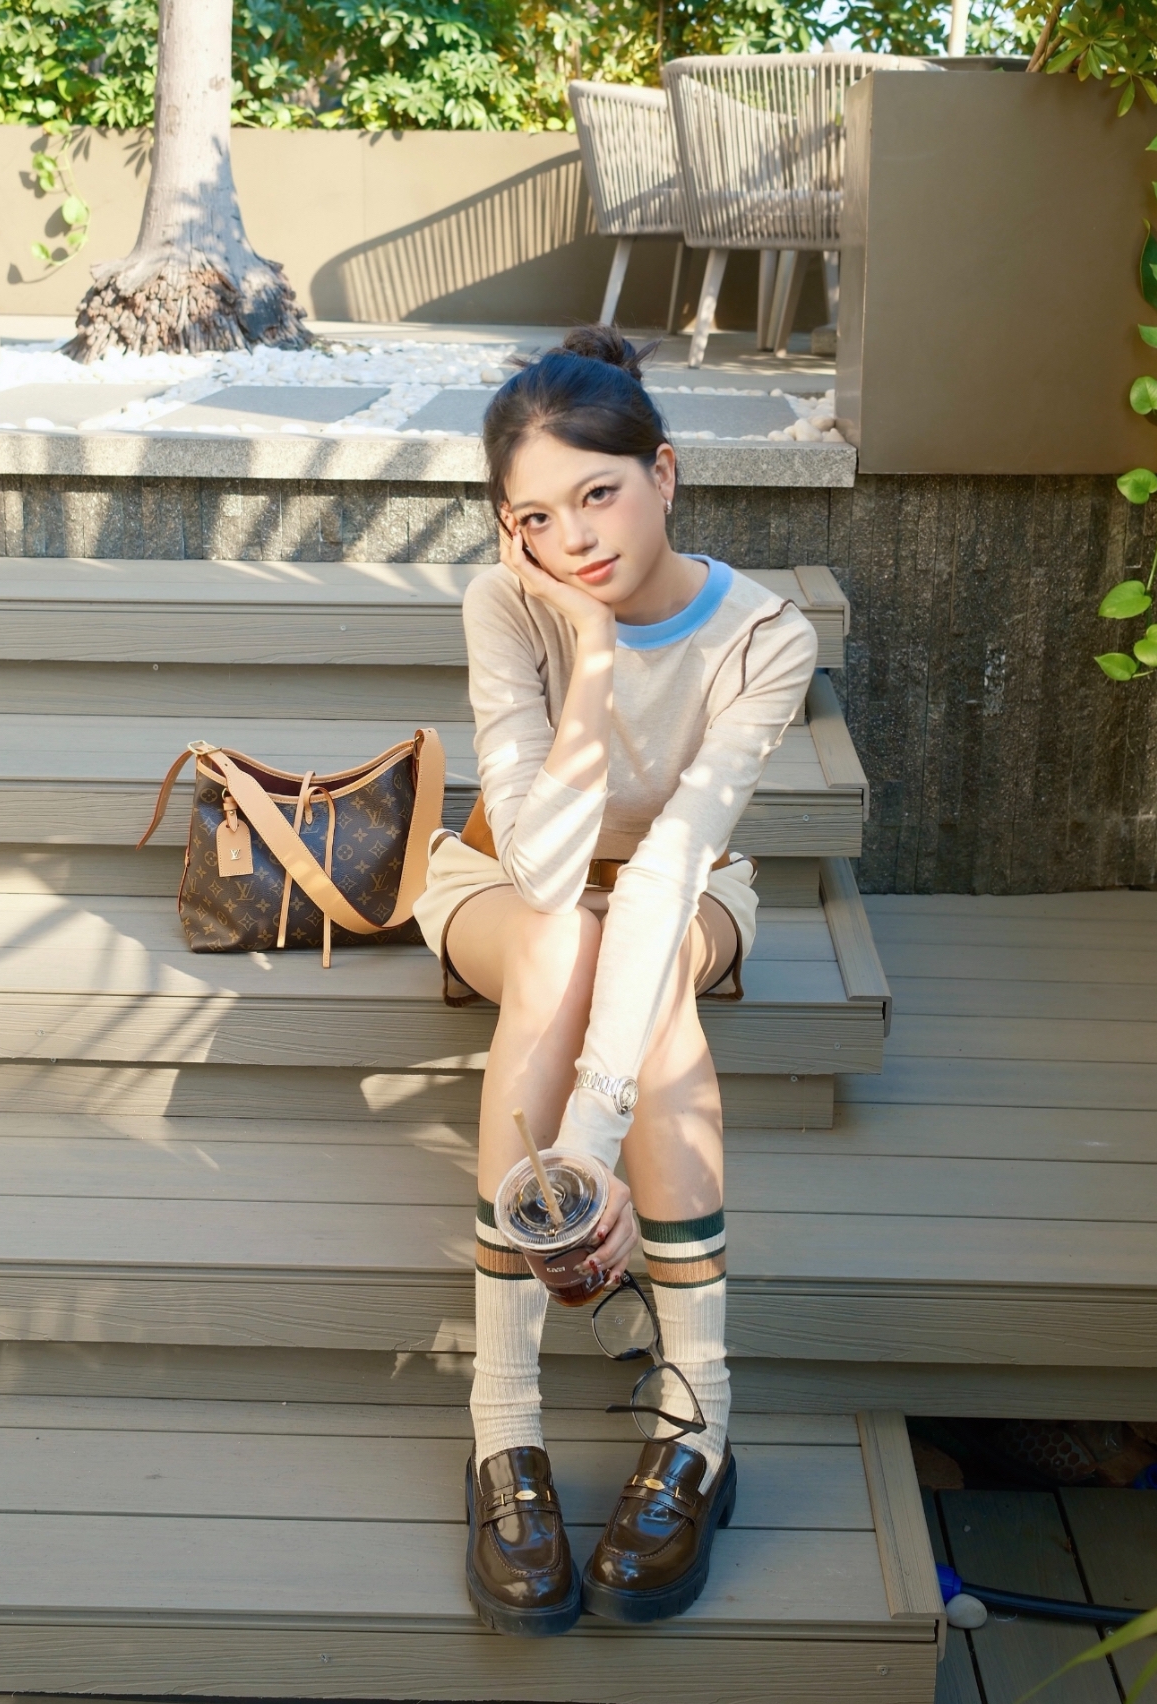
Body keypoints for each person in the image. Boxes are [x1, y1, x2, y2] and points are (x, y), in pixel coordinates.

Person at [413, 326, 818, 1636]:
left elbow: (673, 859)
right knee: (561, 939)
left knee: (643, 969)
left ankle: (696, 1421)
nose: (575, 536)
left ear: (666, 471)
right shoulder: (505, 606)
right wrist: (588, 651)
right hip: (505, 881)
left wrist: (585, 1147)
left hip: (685, 884)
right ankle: (503, 1425)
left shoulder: (764, 635)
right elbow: (538, 865)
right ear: (506, 528)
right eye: (537, 515)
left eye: (598, 492)